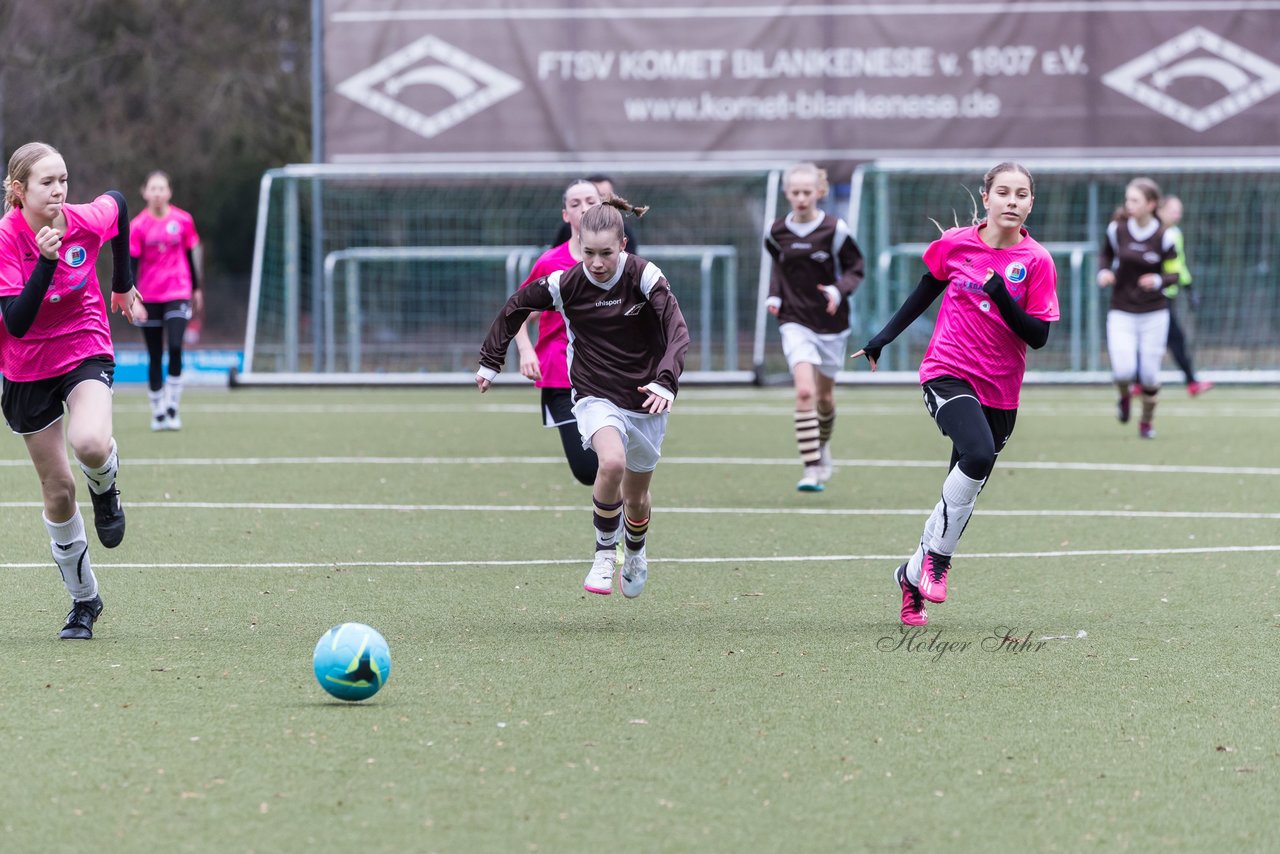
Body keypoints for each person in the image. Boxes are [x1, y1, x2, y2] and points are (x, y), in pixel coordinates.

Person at [852, 162, 1059, 627]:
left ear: (1030, 204)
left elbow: (1039, 337)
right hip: (947, 372)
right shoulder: (955, 245)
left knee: (962, 493)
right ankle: (937, 565)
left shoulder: (1038, 262)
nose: (1012, 201)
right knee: (978, 452)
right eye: (1002, 192)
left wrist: (1003, 295)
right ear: (985, 198)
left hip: (1002, 389)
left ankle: (911, 576)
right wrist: (882, 337)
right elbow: (926, 289)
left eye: (1021, 194)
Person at [477, 199, 689, 599]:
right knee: (610, 462)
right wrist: (492, 360)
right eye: (588, 252)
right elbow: (516, 305)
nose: (596, 262)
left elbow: (677, 329)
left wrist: (665, 381)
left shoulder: (645, 276)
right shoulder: (567, 282)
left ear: (623, 245)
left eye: (606, 253)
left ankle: (637, 552)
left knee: (638, 496)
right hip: (595, 393)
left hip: (645, 398)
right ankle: (604, 554)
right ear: (578, 242)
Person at [0, 141, 147, 640]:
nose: (60, 190)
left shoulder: (84, 218)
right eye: (48, 182)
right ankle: (84, 601)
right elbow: (16, 324)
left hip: (84, 344)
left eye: (63, 179)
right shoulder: (6, 238)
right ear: (19, 191)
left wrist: (123, 282)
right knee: (58, 491)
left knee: (90, 442)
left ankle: (106, 490)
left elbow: (119, 204)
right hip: (26, 366)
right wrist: (44, 262)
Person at [764, 162, 865, 492]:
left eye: (807, 192)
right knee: (804, 391)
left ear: (819, 193)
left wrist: (837, 289)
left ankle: (821, 447)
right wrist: (774, 296)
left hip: (831, 324)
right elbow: (778, 267)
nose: (801, 198)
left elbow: (856, 268)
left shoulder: (835, 229)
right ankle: (811, 468)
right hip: (794, 320)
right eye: (795, 192)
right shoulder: (775, 231)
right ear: (786, 194)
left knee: (824, 399)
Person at [513, 179, 603, 486]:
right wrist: (525, 350)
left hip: (611, 375)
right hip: (560, 374)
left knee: (617, 461)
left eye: (590, 201)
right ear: (566, 215)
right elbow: (518, 311)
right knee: (588, 469)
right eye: (575, 204)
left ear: (603, 205)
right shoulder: (551, 262)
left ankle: (615, 529)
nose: (584, 209)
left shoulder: (622, 262)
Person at [1097, 177, 1179, 439]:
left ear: (1151, 204)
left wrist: (1158, 280)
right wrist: (1103, 272)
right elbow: (1105, 254)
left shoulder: (1164, 236)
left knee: (1148, 376)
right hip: (1121, 311)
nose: (1128, 205)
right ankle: (1123, 397)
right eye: (1127, 200)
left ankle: (1146, 422)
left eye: (1135, 200)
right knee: (1123, 371)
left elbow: (1175, 274)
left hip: (1154, 313)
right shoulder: (1117, 229)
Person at [130, 170, 202, 430]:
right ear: (145, 192)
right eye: (153, 188)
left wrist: (196, 288)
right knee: (154, 354)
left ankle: (173, 405)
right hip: (149, 296)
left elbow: (191, 256)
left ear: (169, 192)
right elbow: (131, 265)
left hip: (178, 292)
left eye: (162, 188)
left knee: (174, 346)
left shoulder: (183, 221)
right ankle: (158, 410)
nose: (158, 193)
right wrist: (134, 300)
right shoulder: (138, 226)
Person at [1154, 195, 1213, 397]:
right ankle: (1191, 381)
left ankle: (1191, 381)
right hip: (1151, 297)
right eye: (1173, 210)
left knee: (1173, 339)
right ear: (1160, 210)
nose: (1178, 214)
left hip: (1167, 295)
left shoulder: (1175, 233)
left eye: (1180, 210)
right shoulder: (1151, 232)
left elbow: (1179, 265)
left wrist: (1189, 289)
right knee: (1169, 338)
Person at [552, 174, 639, 252]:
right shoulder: (566, 231)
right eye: (575, 204)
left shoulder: (623, 230)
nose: (584, 209)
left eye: (606, 197)